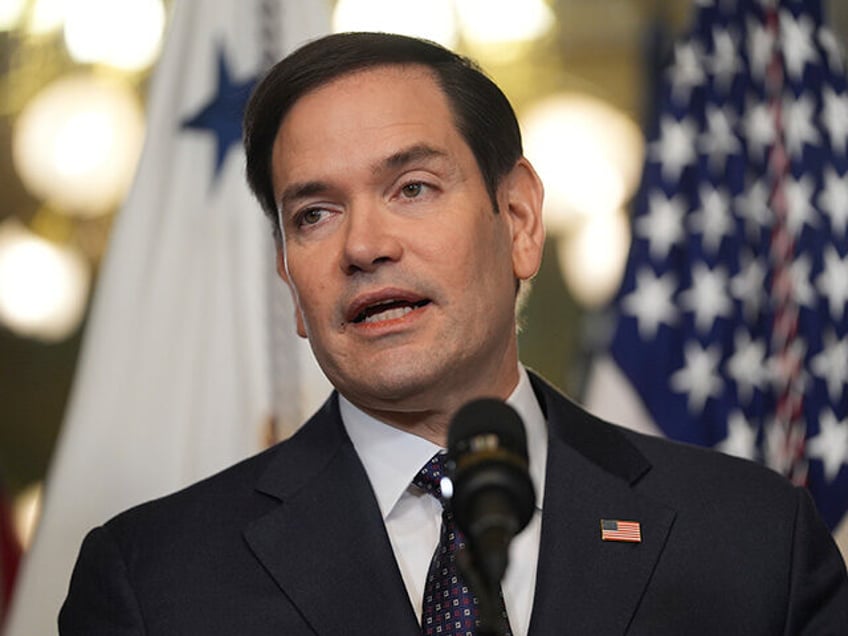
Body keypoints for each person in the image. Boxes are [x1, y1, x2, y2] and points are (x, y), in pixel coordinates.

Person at [59, 32, 848, 635]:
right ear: (291, 285)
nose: (364, 246)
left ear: (518, 220)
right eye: (314, 214)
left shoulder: (752, 539)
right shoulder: (153, 580)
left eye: (412, 187)